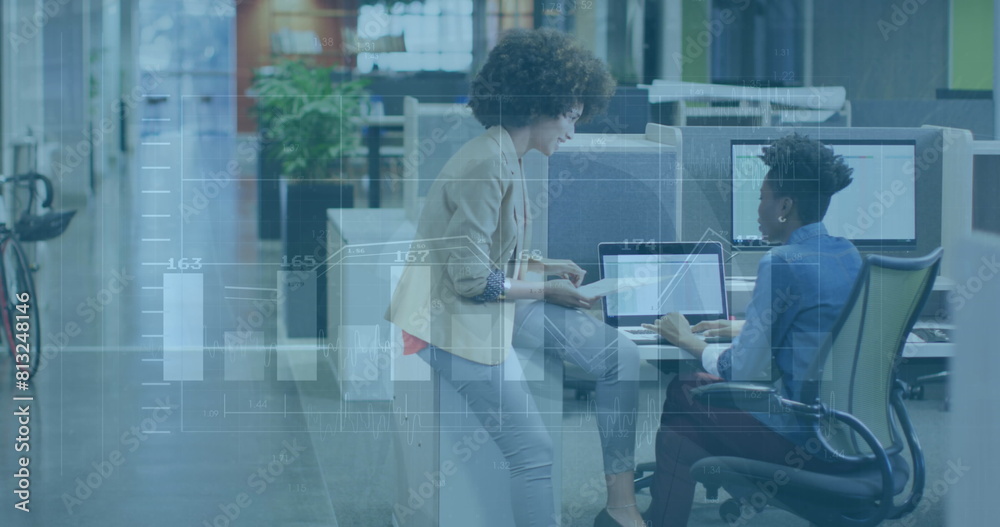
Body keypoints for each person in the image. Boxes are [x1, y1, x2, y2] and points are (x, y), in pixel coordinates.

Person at [386, 29, 645, 527]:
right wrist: (546, 290)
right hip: (450, 321)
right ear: (539, 105)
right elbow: (470, 280)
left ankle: (621, 502)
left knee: (620, 356)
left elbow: (493, 252)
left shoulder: (508, 153)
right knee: (534, 452)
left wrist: (545, 267)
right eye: (569, 116)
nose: (572, 131)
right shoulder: (488, 162)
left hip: (487, 305)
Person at [641, 134, 862, 526]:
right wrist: (747, 326)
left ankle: (659, 515)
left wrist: (688, 339)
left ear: (785, 206)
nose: (758, 208)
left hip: (806, 440)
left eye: (762, 197)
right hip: (855, 434)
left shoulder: (782, 262)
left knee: (687, 388)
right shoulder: (847, 253)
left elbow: (741, 373)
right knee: (681, 437)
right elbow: (825, 318)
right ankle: (673, 510)